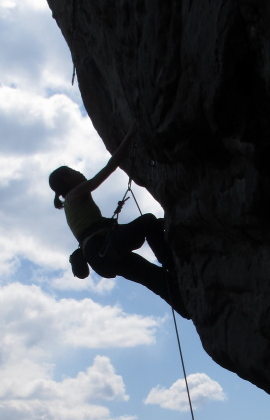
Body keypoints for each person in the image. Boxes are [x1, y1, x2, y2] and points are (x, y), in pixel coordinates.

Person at [49, 124, 190, 319]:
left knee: (153, 277)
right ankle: (172, 265)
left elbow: (99, 228)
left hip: (101, 257)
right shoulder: (74, 195)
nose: (80, 174)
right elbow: (109, 168)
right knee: (148, 222)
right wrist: (130, 135)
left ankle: (188, 309)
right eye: (74, 172)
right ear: (66, 180)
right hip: (103, 248)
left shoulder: (74, 207)